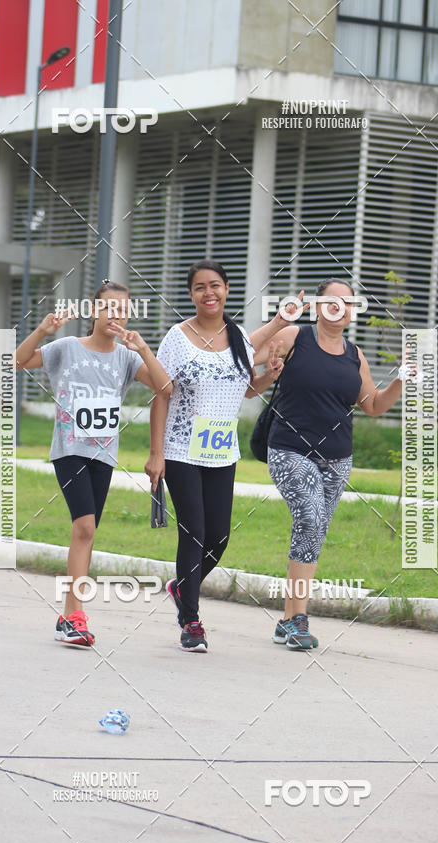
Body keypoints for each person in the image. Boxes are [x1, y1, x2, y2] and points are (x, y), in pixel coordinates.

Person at [252, 277, 409, 650]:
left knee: (314, 529)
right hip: (289, 448)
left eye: (348, 302)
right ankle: (299, 620)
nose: (340, 307)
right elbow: (244, 352)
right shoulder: (294, 337)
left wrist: (401, 379)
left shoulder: (356, 355)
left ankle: (289, 620)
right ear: (319, 306)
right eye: (332, 301)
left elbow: (372, 405)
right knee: (309, 517)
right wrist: (277, 327)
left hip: (337, 458)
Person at [15, 279, 171, 647]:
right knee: (83, 527)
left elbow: (165, 388)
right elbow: (18, 362)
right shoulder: (67, 348)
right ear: (94, 311)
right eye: (109, 307)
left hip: (104, 455)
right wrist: (42, 329)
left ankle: (67, 616)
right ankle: (77, 617)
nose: (116, 314)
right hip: (69, 451)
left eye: (123, 309)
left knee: (87, 532)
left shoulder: (127, 357)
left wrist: (144, 349)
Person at [145, 260, 283, 652]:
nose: (210, 293)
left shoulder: (238, 336)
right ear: (191, 295)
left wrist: (269, 376)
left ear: (226, 290)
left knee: (218, 538)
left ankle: (180, 586)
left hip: (222, 452)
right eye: (201, 287)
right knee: (194, 532)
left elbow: (243, 390)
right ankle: (191, 620)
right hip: (180, 449)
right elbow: (161, 392)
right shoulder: (177, 337)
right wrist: (156, 454)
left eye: (216, 285)